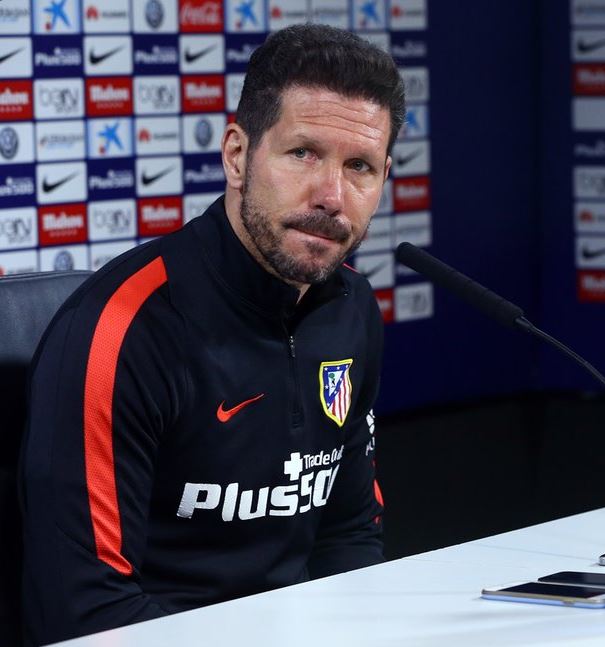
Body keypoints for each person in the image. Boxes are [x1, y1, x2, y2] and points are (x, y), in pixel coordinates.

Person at [19, 24, 405, 645]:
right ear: (235, 155)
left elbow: (349, 534)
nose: (332, 196)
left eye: (359, 166)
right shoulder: (123, 329)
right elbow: (85, 610)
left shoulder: (352, 307)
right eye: (303, 153)